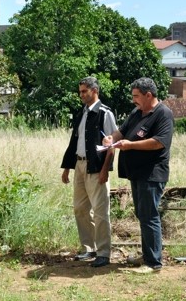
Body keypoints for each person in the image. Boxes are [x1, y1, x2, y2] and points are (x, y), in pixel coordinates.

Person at [103, 77, 174, 274]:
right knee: (142, 215)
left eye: (136, 96)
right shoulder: (137, 111)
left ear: (148, 95)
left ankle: (153, 263)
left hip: (151, 173)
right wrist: (111, 138)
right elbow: (122, 131)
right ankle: (148, 255)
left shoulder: (163, 114)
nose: (133, 100)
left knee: (149, 216)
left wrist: (130, 145)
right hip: (136, 172)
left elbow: (159, 142)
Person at [61, 77, 117, 268]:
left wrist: (105, 170)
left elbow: (112, 145)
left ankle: (103, 253)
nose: (81, 95)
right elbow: (74, 141)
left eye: (85, 91)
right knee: (80, 208)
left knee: (101, 212)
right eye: (80, 92)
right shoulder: (82, 113)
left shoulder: (104, 113)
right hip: (80, 166)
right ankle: (89, 248)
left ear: (95, 91)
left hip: (96, 168)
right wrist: (67, 168)